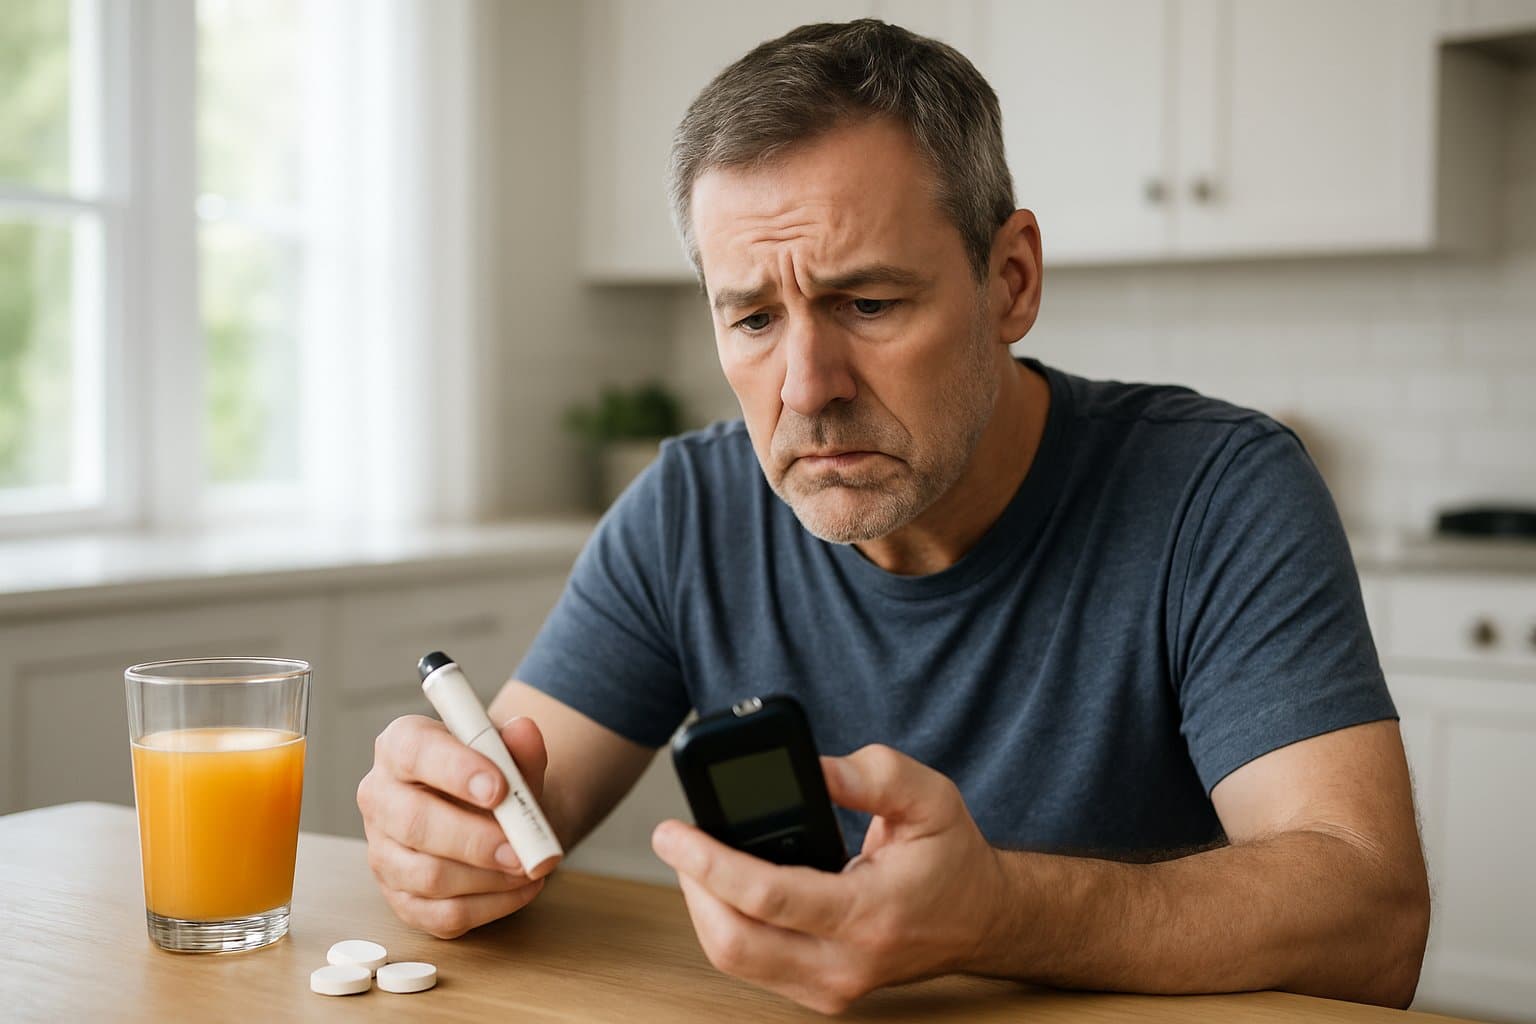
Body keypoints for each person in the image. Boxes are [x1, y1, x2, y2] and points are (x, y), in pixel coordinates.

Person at [356, 19, 1429, 1015]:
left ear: (1010, 279)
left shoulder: (1218, 490)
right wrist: (446, 841)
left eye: (868, 304)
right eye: (754, 318)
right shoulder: (687, 508)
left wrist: (1002, 910)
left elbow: (1373, 916)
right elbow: (509, 819)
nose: (807, 385)